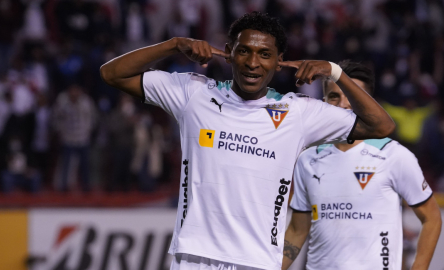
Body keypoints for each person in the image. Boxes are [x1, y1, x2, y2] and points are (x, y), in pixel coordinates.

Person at [100, 12, 395, 270]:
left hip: (258, 261)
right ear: (229, 52)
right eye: (244, 51)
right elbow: (111, 73)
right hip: (194, 257)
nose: (253, 62)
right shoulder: (193, 94)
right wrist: (174, 45)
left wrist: (335, 72)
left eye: (265, 54)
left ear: (279, 62)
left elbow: (381, 125)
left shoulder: (298, 112)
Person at [282, 60, 441, 270]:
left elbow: (432, 218)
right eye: (334, 97)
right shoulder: (307, 159)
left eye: (352, 96)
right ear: (323, 102)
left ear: (367, 102)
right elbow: (296, 230)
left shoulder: (394, 155)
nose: (343, 104)